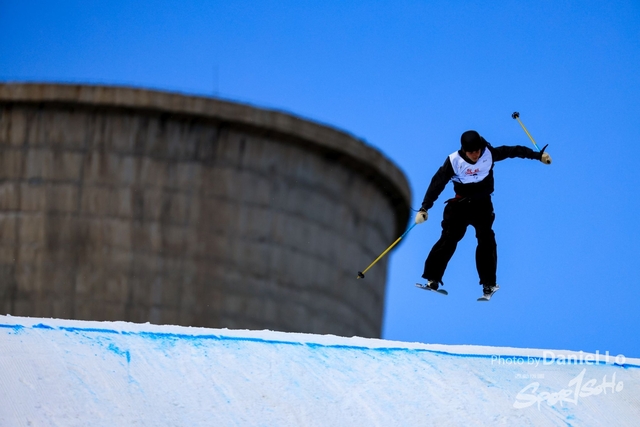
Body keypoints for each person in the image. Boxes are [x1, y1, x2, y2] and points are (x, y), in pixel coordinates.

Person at [415, 130, 552, 297]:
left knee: (486, 239)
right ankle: (432, 278)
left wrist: (537, 156)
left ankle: (488, 284)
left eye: (477, 151)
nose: (476, 155)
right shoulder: (454, 161)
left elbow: (513, 151)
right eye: (471, 152)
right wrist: (424, 208)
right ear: (464, 151)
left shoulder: (489, 154)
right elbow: (437, 183)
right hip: (460, 205)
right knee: (449, 238)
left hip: (482, 205)